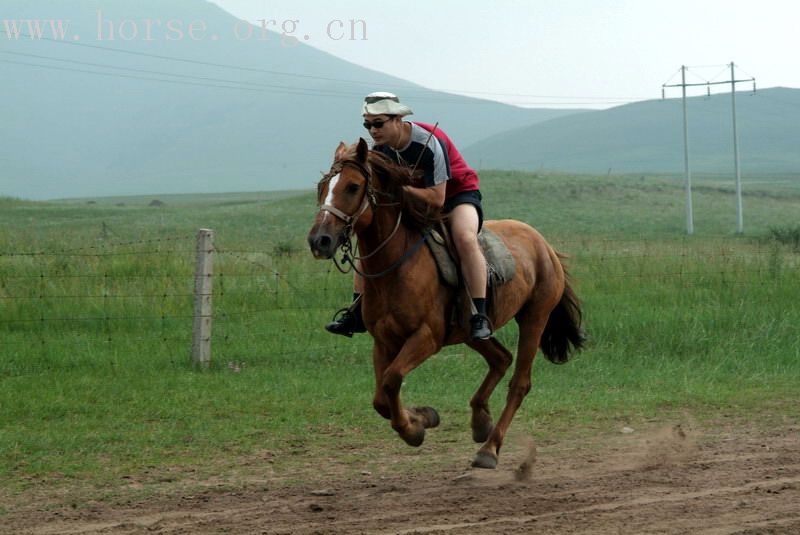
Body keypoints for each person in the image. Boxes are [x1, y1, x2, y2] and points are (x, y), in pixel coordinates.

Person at [325, 91, 492, 340]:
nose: (373, 130)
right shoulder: (381, 150)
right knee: (373, 238)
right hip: (414, 199)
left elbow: (437, 199)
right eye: (367, 125)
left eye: (378, 123)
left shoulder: (428, 141)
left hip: (457, 195)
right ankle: (356, 312)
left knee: (465, 238)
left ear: (397, 119)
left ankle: (479, 315)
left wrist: (400, 190)